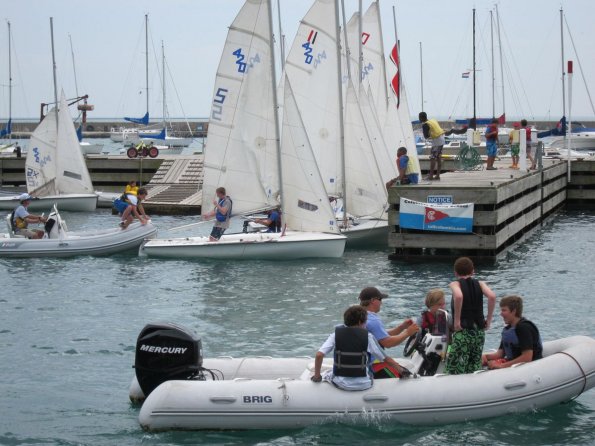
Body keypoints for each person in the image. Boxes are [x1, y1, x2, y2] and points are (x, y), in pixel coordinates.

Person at [311, 305, 410, 390]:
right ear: (359, 322)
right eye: (365, 322)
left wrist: (317, 376)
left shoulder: (335, 335)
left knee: (327, 373)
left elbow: (319, 355)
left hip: (340, 383)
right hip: (364, 384)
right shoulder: (368, 337)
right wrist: (403, 372)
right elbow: (386, 359)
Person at [445, 257, 496, 375]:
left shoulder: (455, 284)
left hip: (463, 333)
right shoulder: (480, 283)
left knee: (456, 369)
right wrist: (488, 320)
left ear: (455, 272)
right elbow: (492, 297)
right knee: (474, 366)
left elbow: (458, 296)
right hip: (478, 332)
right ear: (473, 271)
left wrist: (457, 321)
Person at [358, 286, 419, 378]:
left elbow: (380, 335)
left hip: (362, 362)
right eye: (380, 299)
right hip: (373, 365)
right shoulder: (373, 320)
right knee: (405, 376)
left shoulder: (361, 315)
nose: (381, 303)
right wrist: (407, 333)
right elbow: (388, 343)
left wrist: (401, 327)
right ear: (373, 300)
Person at [482, 295, 543, 369]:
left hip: (531, 367)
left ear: (514, 311)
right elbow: (500, 354)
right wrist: (486, 357)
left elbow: (527, 358)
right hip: (514, 365)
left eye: (504, 310)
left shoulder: (524, 328)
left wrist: (501, 366)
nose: (501, 314)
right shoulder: (508, 329)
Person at [419, 112, 445, 180]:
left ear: (421, 118)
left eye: (419, 118)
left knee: (433, 158)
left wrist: (426, 132)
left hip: (437, 142)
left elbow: (426, 136)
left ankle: (430, 176)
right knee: (438, 157)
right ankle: (437, 175)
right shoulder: (432, 121)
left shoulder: (425, 125)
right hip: (442, 138)